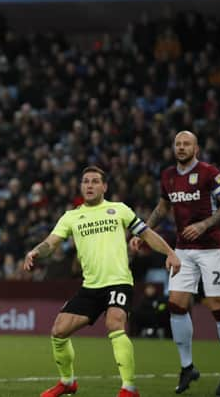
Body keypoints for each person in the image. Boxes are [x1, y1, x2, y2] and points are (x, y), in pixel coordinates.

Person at [24, 166, 181, 397]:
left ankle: (129, 387)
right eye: (85, 181)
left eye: (95, 181)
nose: (89, 185)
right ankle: (67, 382)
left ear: (104, 187)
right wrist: (35, 252)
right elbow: (51, 242)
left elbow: (146, 234)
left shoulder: (118, 210)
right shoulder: (72, 216)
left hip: (118, 282)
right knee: (58, 331)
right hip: (90, 287)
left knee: (115, 323)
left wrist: (170, 252)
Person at [130, 130, 220, 396]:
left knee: (216, 304)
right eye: (177, 143)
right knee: (176, 304)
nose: (181, 147)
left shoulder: (208, 172)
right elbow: (162, 207)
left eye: (186, 143)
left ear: (196, 148)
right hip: (183, 250)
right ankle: (187, 366)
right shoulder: (167, 175)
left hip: (212, 249)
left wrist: (204, 224)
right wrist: (142, 232)